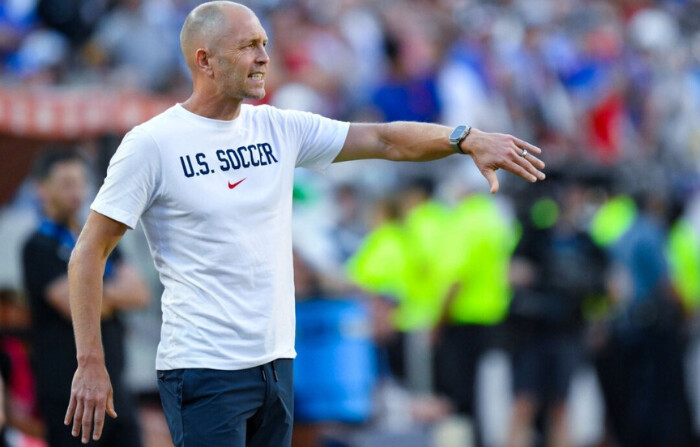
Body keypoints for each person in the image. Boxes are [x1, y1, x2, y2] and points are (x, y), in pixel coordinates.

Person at [63, 2, 545, 446]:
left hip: (277, 365)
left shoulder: (278, 128)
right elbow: (89, 252)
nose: (263, 57)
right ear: (205, 61)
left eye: (265, 44)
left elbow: (383, 139)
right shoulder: (153, 144)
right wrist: (90, 361)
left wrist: (463, 137)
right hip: (203, 367)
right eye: (248, 46)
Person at [21, 150, 149, 446]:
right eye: (66, 184)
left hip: (116, 390)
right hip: (71, 400)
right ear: (42, 189)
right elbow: (71, 305)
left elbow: (139, 293)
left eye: (81, 183)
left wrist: (89, 293)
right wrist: (108, 294)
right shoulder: (37, 247)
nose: (76, 192)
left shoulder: (97, 240)